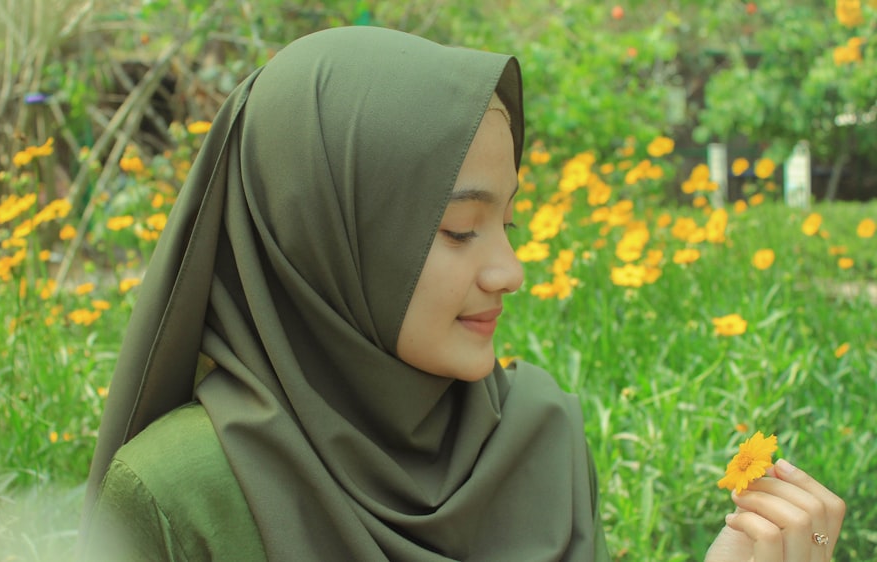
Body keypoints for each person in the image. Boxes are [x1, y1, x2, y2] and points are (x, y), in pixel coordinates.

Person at [78, 26, 845, 561]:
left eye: (507, 221)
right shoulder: (178, 493)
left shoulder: (538, 434)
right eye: (456, 229)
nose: (509, 270)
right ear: (320, 236)